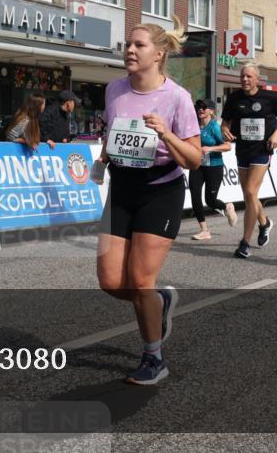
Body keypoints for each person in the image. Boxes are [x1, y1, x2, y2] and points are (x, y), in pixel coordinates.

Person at [91, 22, 202, 386]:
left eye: (139, 45)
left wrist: (166, 133)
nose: (130, 50)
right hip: (122, 187)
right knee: (110, 281)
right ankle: (160, 301)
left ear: (159, 54)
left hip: (160, 191)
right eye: (128, 44)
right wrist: (103, 159)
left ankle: (153, 357)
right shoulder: (114, 89)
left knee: (140, 281)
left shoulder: (177, 98)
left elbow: (194, 159)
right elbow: (112, 132)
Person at [220, 63, 277, 259]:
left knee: (250, 192)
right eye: (242, 76)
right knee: (249, 196)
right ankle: (264, 223)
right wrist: (224, 129)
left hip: (262, 150)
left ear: (257, 79)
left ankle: (245, 242)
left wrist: (276, 133)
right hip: (242, 150)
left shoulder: (269, 98)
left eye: (249, 76)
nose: (245, 79)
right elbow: (225, 122)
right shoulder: (234, 98)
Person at [189, 99, 238, 240]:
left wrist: (210, 148)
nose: (200, 109)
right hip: (197, 166)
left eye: (204, 107)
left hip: (214, 167)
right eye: (199, 107)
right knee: (195, 196)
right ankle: (204, 230)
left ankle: (227, 207)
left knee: (210, 200)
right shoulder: (195, 126)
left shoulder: (214, 127)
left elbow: (228, 146)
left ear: (211, 111)